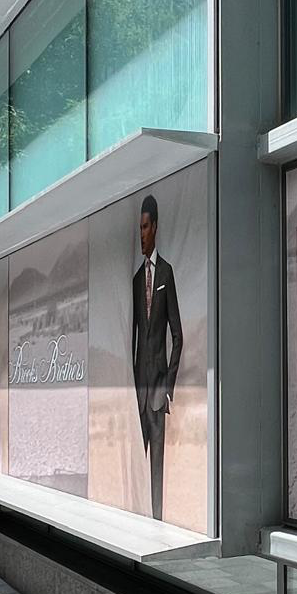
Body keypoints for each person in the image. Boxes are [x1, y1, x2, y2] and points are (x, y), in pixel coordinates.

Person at [131, 194, 182, 519]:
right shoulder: (137, 280)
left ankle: (158, 523)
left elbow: (178, 336)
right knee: (137, 470)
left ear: (156, 227)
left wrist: (168, 387)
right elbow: (132, 337)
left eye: (146, 227)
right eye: (139, 228)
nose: (141, 234)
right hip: (137, 393)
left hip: (157, 393)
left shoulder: (166, 273)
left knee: (157, 472)